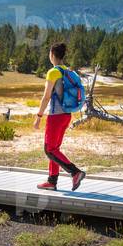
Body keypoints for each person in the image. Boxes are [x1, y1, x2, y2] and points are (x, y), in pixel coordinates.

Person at [32, 42, 86, 191]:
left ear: (52, 55)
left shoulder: (53, 72)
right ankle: (52, 181)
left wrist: (38, 116)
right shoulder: (69, 72)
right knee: (54, 149)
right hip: (66, 115)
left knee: (49, 149)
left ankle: (75, 172)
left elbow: (46, 97)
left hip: (55, 116)